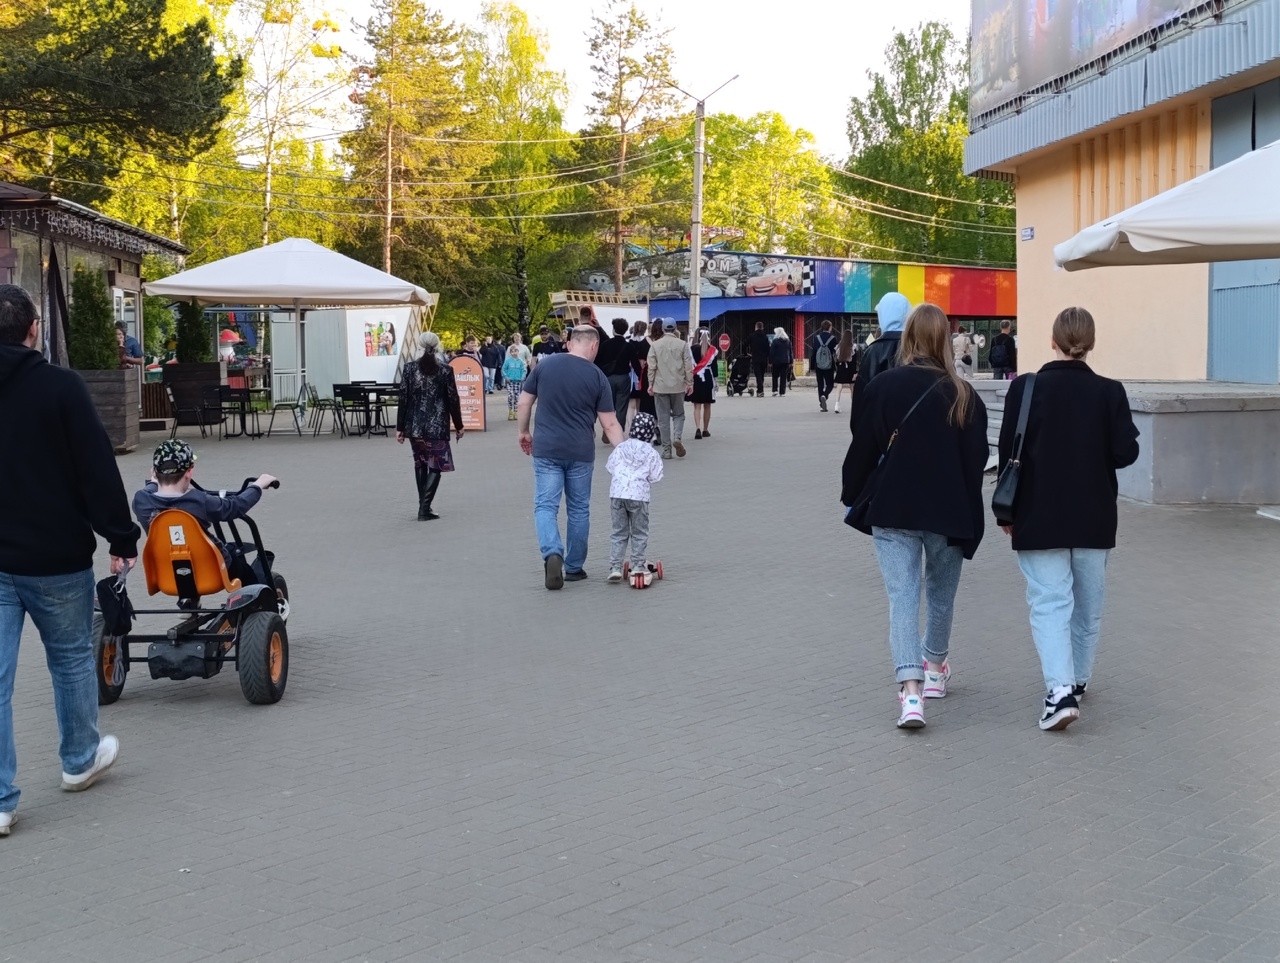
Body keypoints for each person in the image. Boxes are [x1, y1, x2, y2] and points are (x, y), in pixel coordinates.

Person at [1, 284, 138, 836]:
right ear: (34, 329)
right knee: (72, 660)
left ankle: (0, 801)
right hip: (56, 556)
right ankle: (79, 760)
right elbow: (95, 467)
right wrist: (121, 538)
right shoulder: (61, 387)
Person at [841, 303, 989, 730]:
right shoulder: (964, 395)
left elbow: (863, 447)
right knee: (941, 593)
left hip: (894, 507)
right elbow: (976, 461)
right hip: (949, 510)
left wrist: (852, 493)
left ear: (908, 337)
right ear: (946, 341)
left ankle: (910, 692)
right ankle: (935, 668)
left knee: (902, 597)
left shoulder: (884, 386)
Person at [997, 306, 1140, 731]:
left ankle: (1059, 691)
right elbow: (1125, 453)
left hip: (1036, 514)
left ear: (1053, 341)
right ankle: (1076, 679)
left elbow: (1006, 451)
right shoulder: (1110, 392)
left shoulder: (1025, 388)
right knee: (1088, 605)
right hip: (1094, 515)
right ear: (1090, 343)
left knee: (1049, 602)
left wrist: (1007, 512)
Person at [517, 326, 624, 589]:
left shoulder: (544, 366)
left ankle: (552, 552)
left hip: (547, 449)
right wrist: (624, 454)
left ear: (569, 342)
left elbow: (524, 402)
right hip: (580, 451)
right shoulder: (597, 376)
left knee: (545, 506)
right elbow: (610, 424)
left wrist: (524, 432)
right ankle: (574, 567)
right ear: (594, 346)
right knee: (578, 508)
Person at [133, 440, 278, 571]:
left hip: (166, 568)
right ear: (189, 472)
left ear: (154, 472)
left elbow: (149, 490)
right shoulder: (198, 501)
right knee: (245, 572)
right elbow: (235, 506)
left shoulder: (141, 500)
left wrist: (154, 482)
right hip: (210, 568)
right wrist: (258, 485)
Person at [395, 332, 464, 521]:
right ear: (438, 346)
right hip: (437, 426)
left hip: (414, 426)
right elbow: (453, 399)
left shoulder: (409, 369)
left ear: (419, 346)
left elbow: (403, 398)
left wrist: (400, 427)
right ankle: (424, 509)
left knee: (420, 463)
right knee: (436, 465)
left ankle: (423, 507)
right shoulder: (445, 370)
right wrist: (459, 425)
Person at [605, 412, 665, 584]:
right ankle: (638, 564)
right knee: (639, 531)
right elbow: (656, 476)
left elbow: (610, 467)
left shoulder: (621, 448)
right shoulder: (651, 453)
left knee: (619, 531)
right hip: (639, 496)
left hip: (617, 494)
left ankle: (615, 567)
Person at [849, 292, 910, 434]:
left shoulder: (873, 351)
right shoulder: (918, 348)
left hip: (880, 433)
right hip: (911, 434)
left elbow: (860, 404)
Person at [647, 319, 693, 459]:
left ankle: (666, 450)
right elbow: (688, 366)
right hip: (678, 386)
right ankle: (677, 437)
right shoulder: (683, 345)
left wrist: (650, 384)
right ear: (675, 328)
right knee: (679, 414)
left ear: (662, 329)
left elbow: (651, 367)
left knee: (663, 418)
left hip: (660, 386)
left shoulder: (655, 345)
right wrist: (689, 383)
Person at [594, 317, 633, 441]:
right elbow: (635, 364)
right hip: (623, 378)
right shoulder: (628, 346)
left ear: (613, 329)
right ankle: (618, 433)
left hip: (608, 379)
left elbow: (597, 361)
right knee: (621, 408)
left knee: (608, 406)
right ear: (625, 330)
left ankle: (607, 429)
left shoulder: (605, 345)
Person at [689, 327, 718, 439]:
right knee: (707, 405)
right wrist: (716, 381)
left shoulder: (692, 349)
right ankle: (705, 430)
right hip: (708, 378)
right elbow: (714, 368)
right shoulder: (712, 350)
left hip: (697, 378)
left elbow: (690, 365)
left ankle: (697, 428)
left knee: (697, 405)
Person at [629, 320, 655, 428]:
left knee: (631, 403)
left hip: (631, 374)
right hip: (643, 374)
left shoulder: (630, 341)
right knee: (641, 401)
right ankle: (642, 423)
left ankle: (632, 425)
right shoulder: (646, 342)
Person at [809, 319, 838, 412]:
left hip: (818, 365)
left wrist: (812, 366)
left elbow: (814, 352)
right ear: (830, 327)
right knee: (830, 384)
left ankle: (821, 404)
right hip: (829, 365)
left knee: (820, 384)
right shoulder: (833, 338)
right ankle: (825, 395)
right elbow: (836, 353)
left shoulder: (816, 338)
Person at [832, 329, 858, 415]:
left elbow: (836, 359)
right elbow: (854, 362)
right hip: (850, 369)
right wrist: (855, 372)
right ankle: (854, 406)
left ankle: (836, 405)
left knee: (839, 386)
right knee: (852, 387)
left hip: (841, 367)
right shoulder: (853, 347)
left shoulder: (839, 347)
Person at [501, 344, 527, 421]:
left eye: (515, 351)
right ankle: (510, 411)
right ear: (510, 353)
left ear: (518, 352)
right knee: (510, 395)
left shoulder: (520, 361)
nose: (514, 353)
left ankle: (516, 412)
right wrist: (506, 377)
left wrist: (522, 377)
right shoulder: (508, 361)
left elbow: (523, 370)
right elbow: (503, 369)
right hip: (510, 381)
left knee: (517, 396)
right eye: (512, 351)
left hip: (518, 381)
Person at [748, 321, 770, 397]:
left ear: (756, 327)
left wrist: (746, 353)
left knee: (758, 375)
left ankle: (760, 391)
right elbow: (768, 349)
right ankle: (760, 390)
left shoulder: (752, 336)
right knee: (762, 375)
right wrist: (768, 358)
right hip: (764, 359)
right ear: (762, 328)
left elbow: (745, 344)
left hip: (756, 358)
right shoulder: (765, 337)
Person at [769, 326, 793, 396]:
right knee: (783, 377)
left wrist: (770, 361)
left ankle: (775, 390)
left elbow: (771, 352)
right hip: (785, 361)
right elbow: (791, 352)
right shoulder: (788, 341)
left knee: (775, 376)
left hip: (776, 362)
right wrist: (791, 361)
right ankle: (782, 392)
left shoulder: (775, 341)